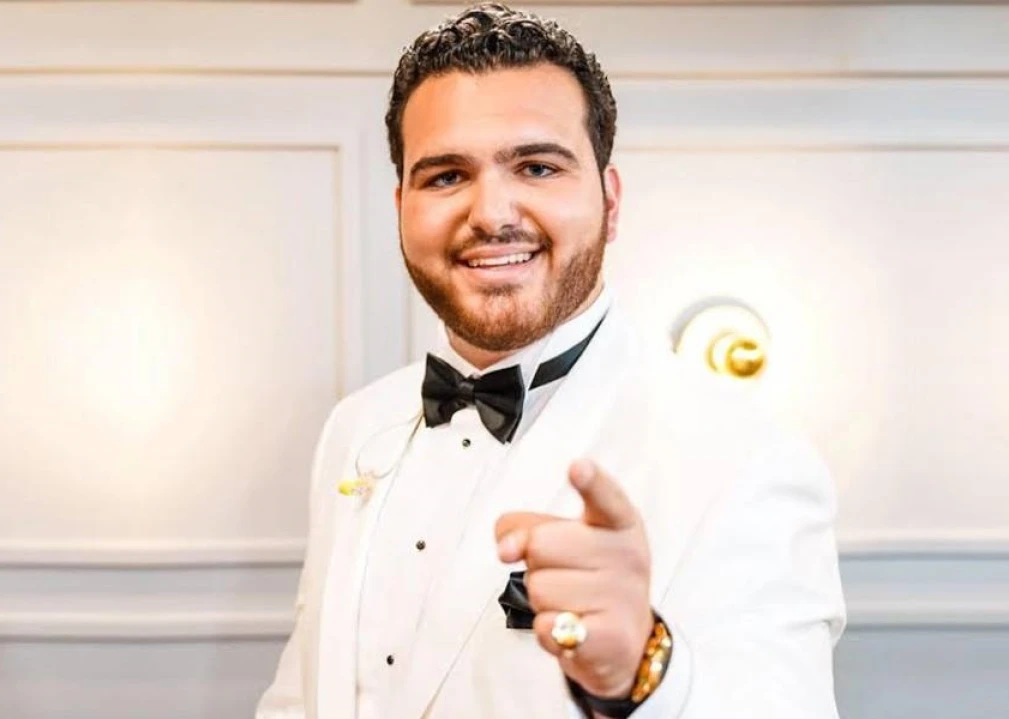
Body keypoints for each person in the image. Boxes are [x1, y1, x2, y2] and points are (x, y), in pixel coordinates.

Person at [257, 4, 846, 718]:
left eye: (537, 167)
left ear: (610, 202)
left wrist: (642, 674)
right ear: (401, 206)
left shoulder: (746, 455)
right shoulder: (354, 428)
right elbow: (300, 695)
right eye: (445, 176)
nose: (491, 213)